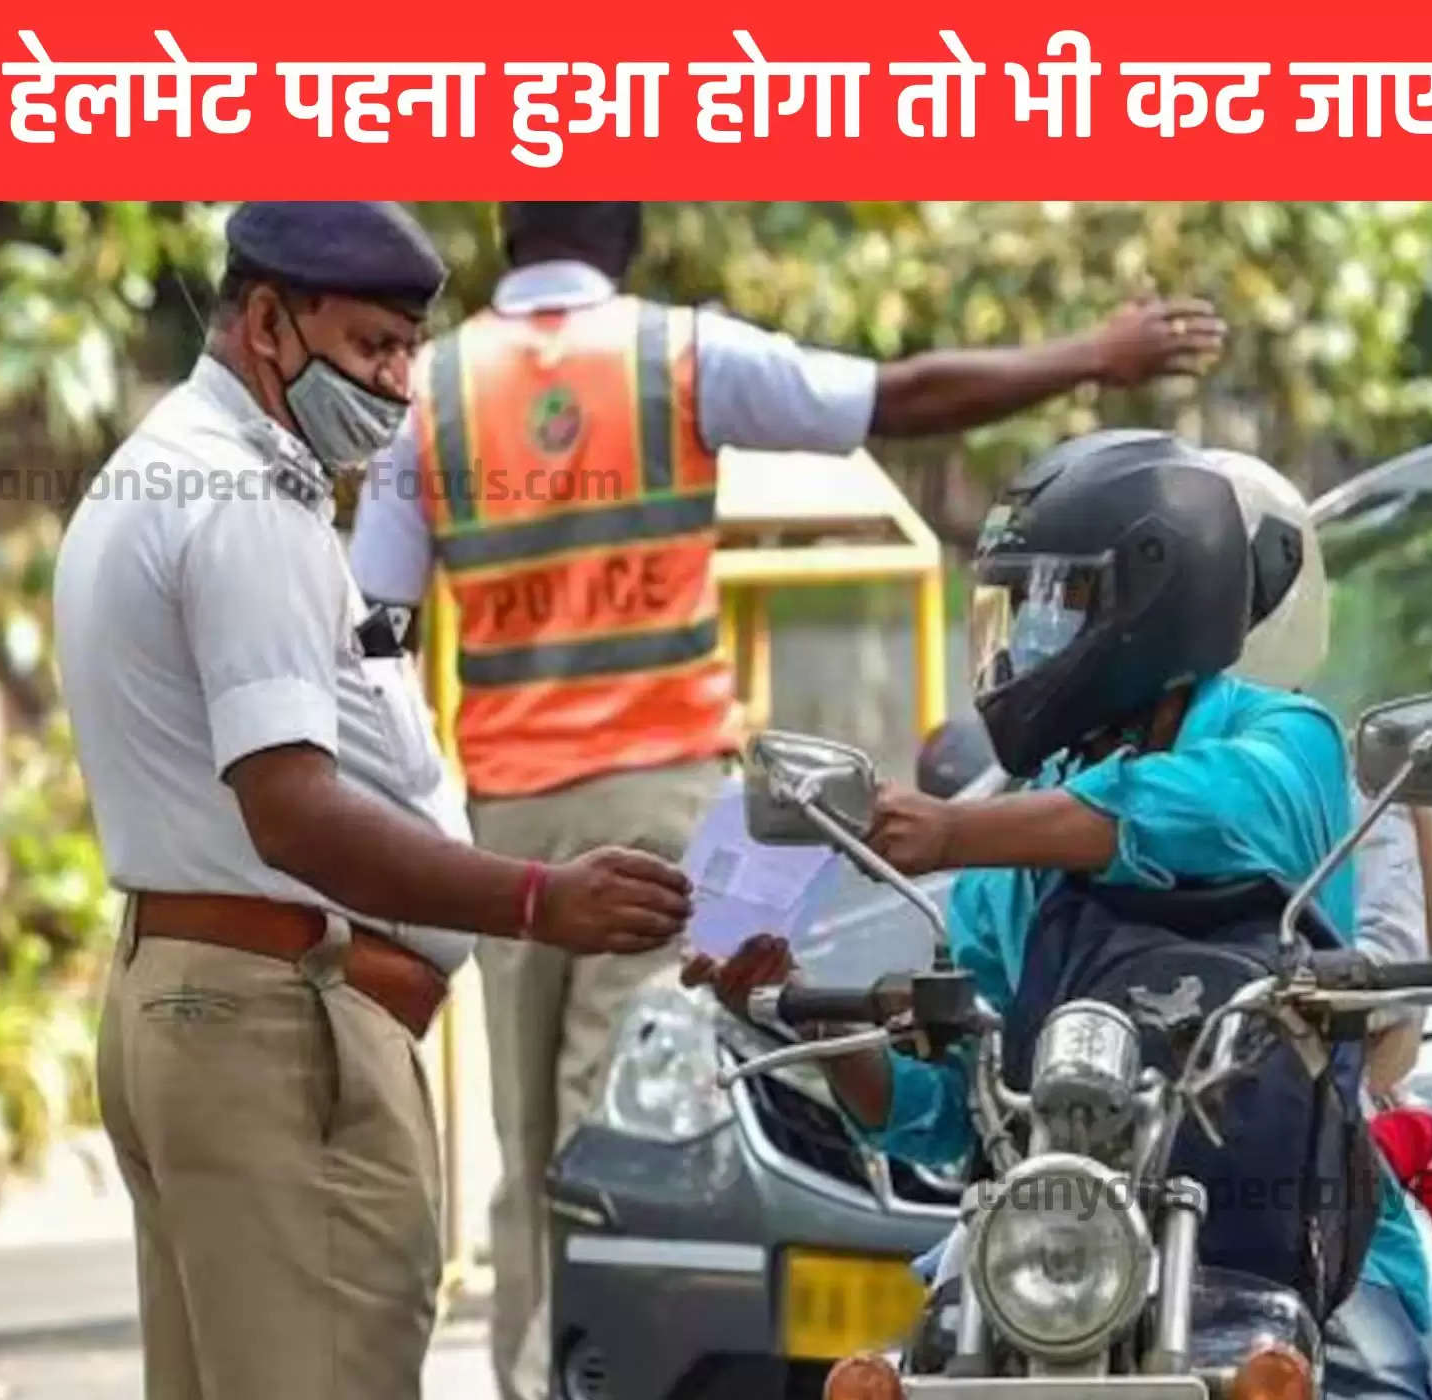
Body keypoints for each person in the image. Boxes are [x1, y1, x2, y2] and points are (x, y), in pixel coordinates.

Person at [346, 200, 1229, 1400]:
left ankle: (532, 1370)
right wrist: (1092, 355)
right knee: (618, 1121)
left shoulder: (433, 393)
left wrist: (412, 822)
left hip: (504, 819)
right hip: (662, 800)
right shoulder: (678, 354)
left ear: (507, 235)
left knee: (526, 1144)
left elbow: (376, 626)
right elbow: (896, 396)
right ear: (631, 232)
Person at [53, 201, 693, 1400]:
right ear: (264, 322)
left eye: (407, 350)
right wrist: (541, 899)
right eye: (369, 348)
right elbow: (291, 807)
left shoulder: (162, 467)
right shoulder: (244, 507)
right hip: (273, 1031)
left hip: (194, 1009)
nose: (397, 385)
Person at [687, 429, 1432, 1398]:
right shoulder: (1019, 832)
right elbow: (953, 1111)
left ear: (1153, 598)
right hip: (1060, 1252)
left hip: (1311, 1229)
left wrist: (960, 832)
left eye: (1054, 606)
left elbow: (1201, 811)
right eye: (1019, 607)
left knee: (1403, 1367)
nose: (1023, 641)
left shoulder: (1283, 736)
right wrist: (819, 1018)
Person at [1212, 450, 1432, 1390]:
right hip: (1093, 1160)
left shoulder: (1342, 771)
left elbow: (1392, 974)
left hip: (1296, 1130)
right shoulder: (1069, 787)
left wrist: (1320, 987)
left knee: (1425, 1331)